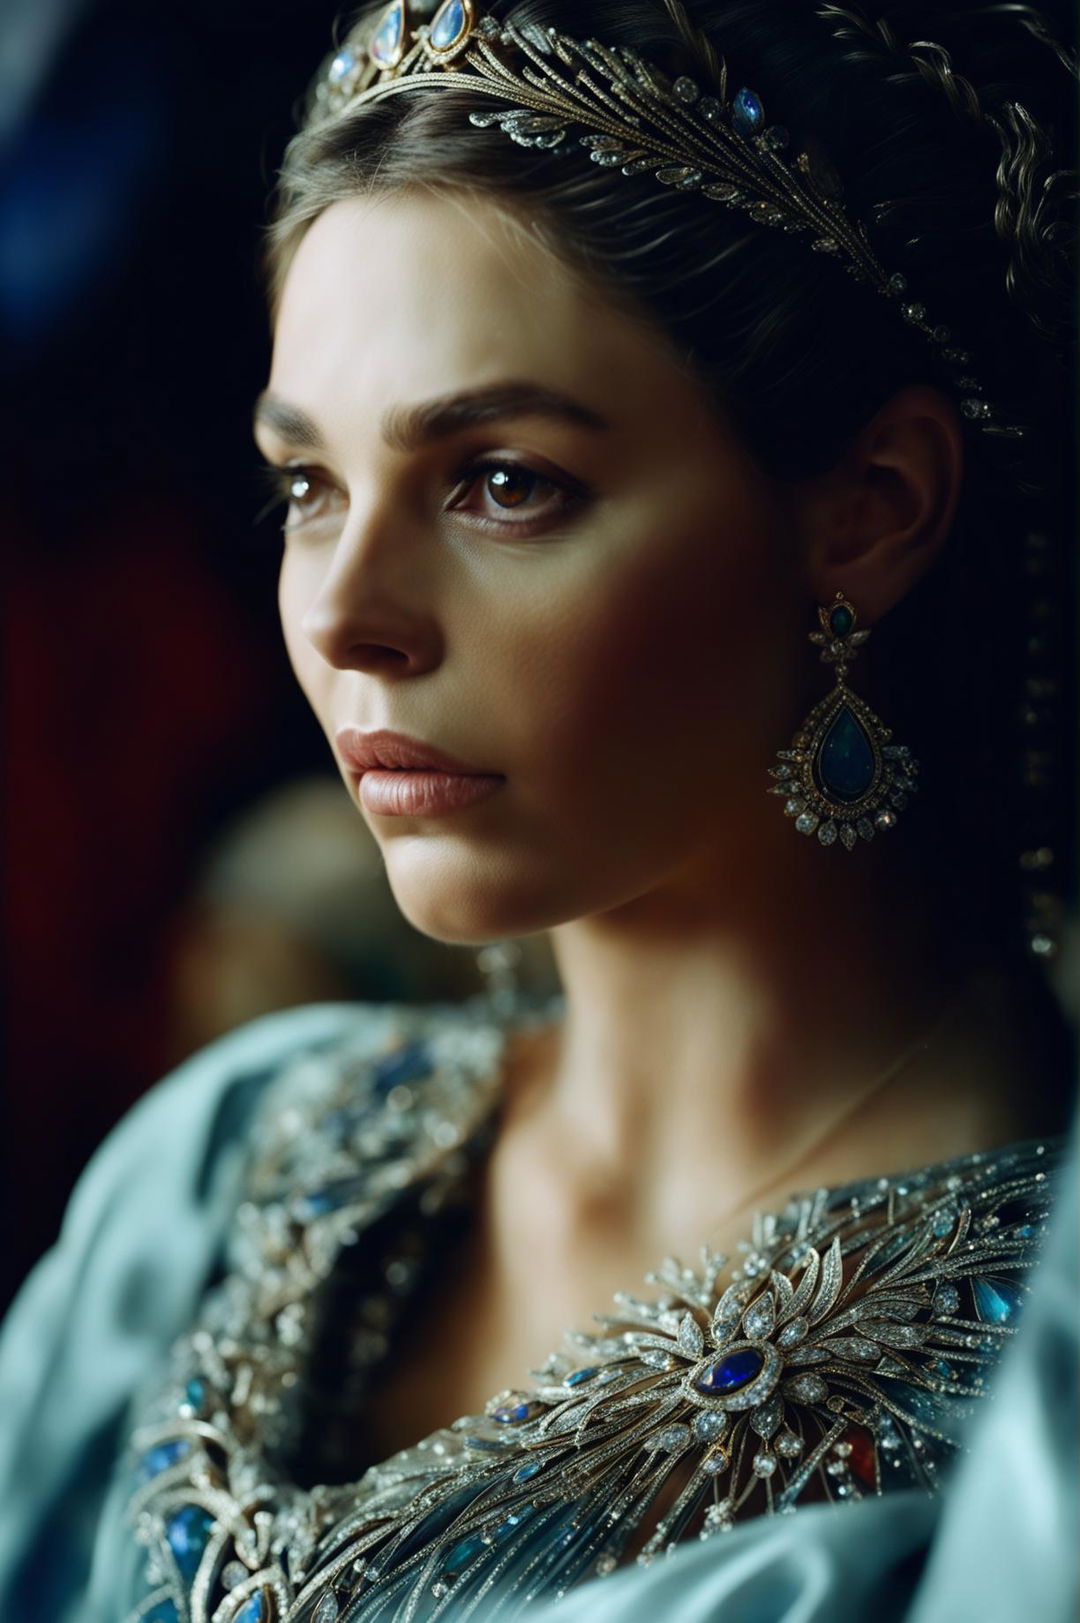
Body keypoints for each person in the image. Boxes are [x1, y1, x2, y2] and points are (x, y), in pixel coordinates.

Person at [0, 1, 1076, 1620]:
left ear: (871, 513)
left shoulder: (1033, 1390)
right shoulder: (230, 1162)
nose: (350, 612)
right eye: (309, 488)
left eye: (504, 482)